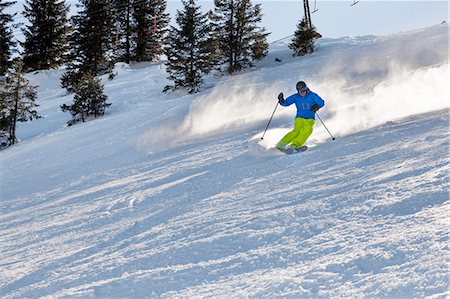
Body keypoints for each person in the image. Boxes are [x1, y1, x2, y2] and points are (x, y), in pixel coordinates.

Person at [275, 81, 325, 152]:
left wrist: (316, 106)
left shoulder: (312, 95)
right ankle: (281, 144)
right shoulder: (296, 97)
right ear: (298, 91)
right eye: (301, 91)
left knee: (308, 129)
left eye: (304, 90)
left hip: (310, 118)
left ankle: (295, 145)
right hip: (299, 118)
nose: (303, 92)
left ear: (306, 88)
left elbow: (321, 102)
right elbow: (286, 103)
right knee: (296, 131)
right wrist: (281, 101)